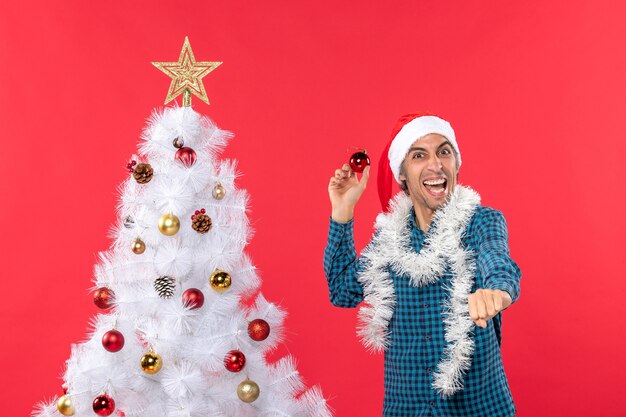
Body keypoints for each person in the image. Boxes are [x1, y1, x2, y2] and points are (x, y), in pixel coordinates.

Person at [324, 113, 522, 417]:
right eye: (419, 155)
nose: (436, 164)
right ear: (402, 173)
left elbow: (497, 259)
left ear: (456, 164)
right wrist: (343, 211)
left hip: (481, 409)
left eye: (444, 152)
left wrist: (496, 291)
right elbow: (341, 291)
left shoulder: (482, 222)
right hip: (405, 410)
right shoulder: (388, 241)